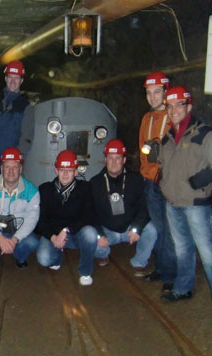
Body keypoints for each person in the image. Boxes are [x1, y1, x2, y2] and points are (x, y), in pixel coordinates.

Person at [158, 86, 212, 322]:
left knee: (208, 253)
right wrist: (163, 181)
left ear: (189, 107)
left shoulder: (206, 134)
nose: (174, 110)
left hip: (195, 204)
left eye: (179, 104)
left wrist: (196, 181)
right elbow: (163, 163)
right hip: (173, 203)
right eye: (170, 106)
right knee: (183, 250)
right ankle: (183, 288)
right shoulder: (168, 137)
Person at [90, 139, 158, 276]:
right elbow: (90, 213)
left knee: (151, 230)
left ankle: (139, 262)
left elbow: (144, 207)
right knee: (90, 236)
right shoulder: (95, 183)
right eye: (110, 158)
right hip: (108, 232)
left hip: (129, 230)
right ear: (105, 160)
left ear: (124, 160)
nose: (114, 162)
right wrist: (99, 234)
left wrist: (137, 228)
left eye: (118, 158)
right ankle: (102, 254)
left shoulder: (136, 180)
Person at [36, 150, 100, 286]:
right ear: (56, 170)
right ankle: (58, 254)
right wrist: (53, 237)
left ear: (76, 172)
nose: (65, 174)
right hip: (54, 234)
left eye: (69, 170)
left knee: (91, 234)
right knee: (44, 259)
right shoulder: (45, 190)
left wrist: (67, 230)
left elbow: (89, 216)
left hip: (76, 234)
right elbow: (40, 220)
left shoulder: (85, 188)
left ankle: (85, 271)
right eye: (62, 170)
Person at [138, 72, 177, 291]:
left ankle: (170, 275)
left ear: (165, 92)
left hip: (169, 183)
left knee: (170, 230)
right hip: (151, 183)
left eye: (156, 92)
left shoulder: (174, 117)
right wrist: (148, 174)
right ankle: (161, 269)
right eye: (149, 93)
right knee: (161, 228)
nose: (152, 97)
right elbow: (143, 150)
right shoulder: (147, 119)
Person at [0, 60, 30, 181]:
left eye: (17, 78)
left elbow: (26, 138)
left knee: (7, 197)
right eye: (10, 77)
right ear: (5, 78)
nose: (13, 81)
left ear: (22, 81)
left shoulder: (26, 106)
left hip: (10, 163)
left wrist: (15, 162)